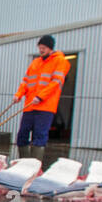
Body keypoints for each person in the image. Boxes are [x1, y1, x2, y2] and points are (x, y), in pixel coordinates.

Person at [12, 34, 69, 167]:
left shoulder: (60, 61)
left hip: (45, 107)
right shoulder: (36, 62)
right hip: (30, 106)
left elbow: (56, 83)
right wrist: (18, 95)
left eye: (44, 48)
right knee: (22, 135)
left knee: (39, 136)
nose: (41, 50)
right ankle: (23, 164)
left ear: (50, 48)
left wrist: (41, 96)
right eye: (40, 47)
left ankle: (34, 166)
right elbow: (26, 81)